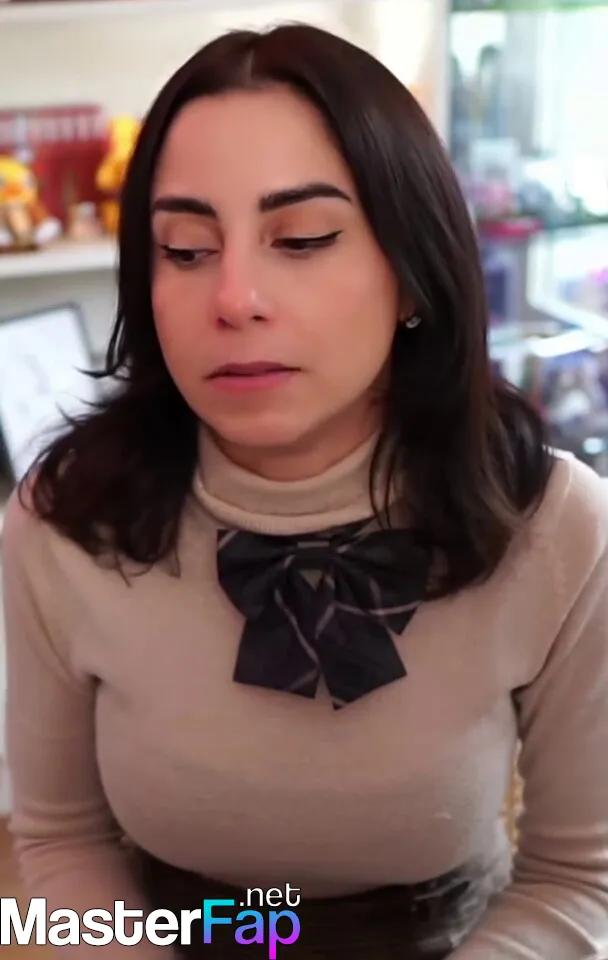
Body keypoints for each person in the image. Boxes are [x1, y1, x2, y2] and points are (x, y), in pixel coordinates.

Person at [1, 22, 607, 960]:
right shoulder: (65, 522)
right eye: (187, 250)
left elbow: (579, 882)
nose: (234, 297)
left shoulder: (556, 526)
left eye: (304, 238)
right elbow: (59, 840)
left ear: (412, 274)